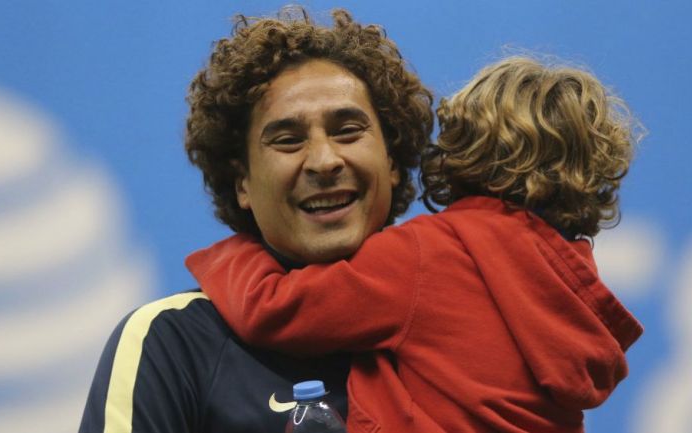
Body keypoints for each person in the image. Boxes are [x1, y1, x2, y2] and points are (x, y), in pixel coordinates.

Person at [187, 56, 645, 432]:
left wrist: (232, 251)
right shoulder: (570, 284)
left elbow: (275, 309)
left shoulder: (429, 253)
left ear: (457, 148)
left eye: (347, 131)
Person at [78, 7, 434, 433]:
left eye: (347, 130)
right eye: (288, 140)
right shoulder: (171, 342)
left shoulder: (467, 320)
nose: (324, 160)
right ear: (242, 182)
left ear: (392, 160)